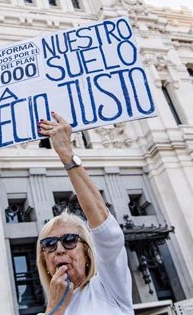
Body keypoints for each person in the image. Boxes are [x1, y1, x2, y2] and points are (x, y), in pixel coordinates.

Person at [35, 111, 133, 314]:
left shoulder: (107, 288)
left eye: (70, 240)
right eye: (49, 244)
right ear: (44, 262)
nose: (59, 250)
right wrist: (55, 307)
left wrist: (67, 156)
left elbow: (106, 232)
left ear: (88, 252)